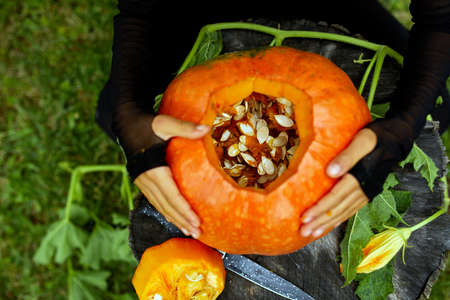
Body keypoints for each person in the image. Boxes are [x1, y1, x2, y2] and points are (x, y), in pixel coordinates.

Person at [96, 0, 450, 239]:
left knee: (436, 109)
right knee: (112, 109)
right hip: (194, 7)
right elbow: (139, 8)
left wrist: (405, 123)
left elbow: (440, 15)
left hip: (339, 5)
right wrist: (127, 109)